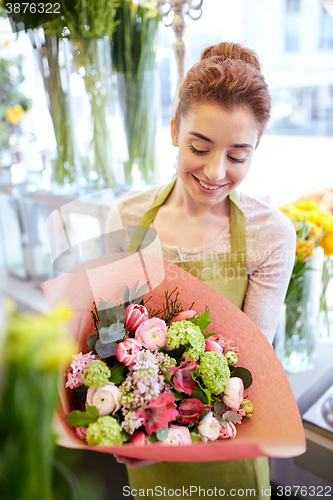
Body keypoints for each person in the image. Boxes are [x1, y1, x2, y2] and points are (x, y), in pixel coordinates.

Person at [105, 42, 296, 500]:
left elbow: (249, 364)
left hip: (229, 438)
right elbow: (109, 338)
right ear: (175, 130)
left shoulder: (270, 234)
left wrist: (185, 430)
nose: (215, 172)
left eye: (237, 156)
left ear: (256, 149)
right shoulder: (127, 218)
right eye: (200, 147)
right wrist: (124, 423)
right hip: (149, 443)